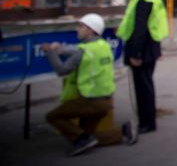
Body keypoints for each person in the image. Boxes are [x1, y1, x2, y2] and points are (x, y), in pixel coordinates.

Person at [44, 14, 137, 156]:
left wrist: (50, 52)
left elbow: (62, 70)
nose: (77, 29)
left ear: (91, 30)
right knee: (89, 136)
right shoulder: (104, 46)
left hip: (90, 101)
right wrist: (61, 49)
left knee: (52, 116)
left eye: (81, 26)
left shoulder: (84, 51)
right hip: (106, 102)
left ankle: (82, 140)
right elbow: (79, 50)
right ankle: (124, 131)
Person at [117, 0, 169, 134]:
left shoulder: (143, 0)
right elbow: (155, 26)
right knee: (146, 86)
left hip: (142, 51)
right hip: (151, 48)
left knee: (143, 88)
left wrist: (135, 54)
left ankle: (146, 123)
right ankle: (148, 120)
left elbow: (140, 29)